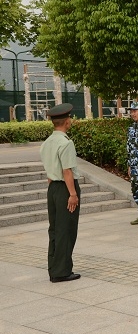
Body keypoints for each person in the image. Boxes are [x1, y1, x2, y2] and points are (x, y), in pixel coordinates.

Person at [40, 103, 81, 283]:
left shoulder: (47, 143)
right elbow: (67, 171)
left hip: (53, 188)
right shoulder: (66, 143)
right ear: (67, 121)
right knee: (66, 229)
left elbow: (50, 171)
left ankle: (54, 267)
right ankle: (62, 271)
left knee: (55, 229)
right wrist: (72, 194)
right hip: (65, 188)